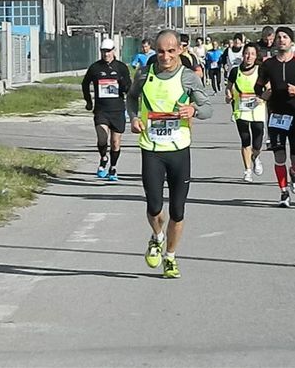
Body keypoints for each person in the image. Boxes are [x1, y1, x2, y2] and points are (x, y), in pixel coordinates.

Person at [127, 29, 212, 279]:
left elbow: (207, 108)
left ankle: (171, 257)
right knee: (154, 207)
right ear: (155, 50)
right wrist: (132, 118)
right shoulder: (144, 74)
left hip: (179, 150)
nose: (165, 56)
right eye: (161, 51)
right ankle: (157, 236)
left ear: (180, 50)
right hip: (152, 149)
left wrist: (193, 110)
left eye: (171, 51)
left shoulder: (188, 77)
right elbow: (131, 99)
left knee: (178, 210)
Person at [254, 27, 295, 207]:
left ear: (291, 42)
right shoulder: (268, 64)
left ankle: (294, 173)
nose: (281, 40)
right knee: (279, 156)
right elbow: (258, 87)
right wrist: (262, 94)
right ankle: (283, 192)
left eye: (285, 37)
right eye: (279, 37)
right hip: (276, 115)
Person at [82, 38, 132, 181]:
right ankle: (103, 158)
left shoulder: (121, 67)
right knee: (102, 137)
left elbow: (129, 87)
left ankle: (113, 167)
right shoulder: (95, 68)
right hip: (101, 110)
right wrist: (88, 102)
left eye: (108, 51)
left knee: (115, 142)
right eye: (103, 51)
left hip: (117, 109)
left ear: (114, 51)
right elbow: (85, 84)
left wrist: (122, 83)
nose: (106, 54)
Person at [225, 42, 266, 182]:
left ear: (256, 56)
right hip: (241, 109)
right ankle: (247, 170)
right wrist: (228, 95)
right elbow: (228, 87)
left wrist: (263, 97)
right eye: (247, 53)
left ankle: (256, 156)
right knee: (245, 140)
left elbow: (269, 88)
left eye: (252, 54)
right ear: (243, 55)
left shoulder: (261, 70)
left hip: (257, 109)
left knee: (258, 142)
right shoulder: (235, 71)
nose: (249, 56)